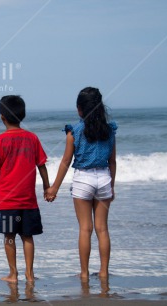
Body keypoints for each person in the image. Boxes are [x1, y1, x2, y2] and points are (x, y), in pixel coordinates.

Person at [46, 87, 117, 281]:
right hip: (103, 178)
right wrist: (112, 186)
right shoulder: (110, 131)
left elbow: (65, 162)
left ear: (80, 109)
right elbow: (112, 162)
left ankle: (84, 273)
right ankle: (103, 271)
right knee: (102, 229)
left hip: (83, 179)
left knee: (85, 229)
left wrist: (54, 188)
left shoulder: (74, 132)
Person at [0, 95, 50, 283]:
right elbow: (42, 165)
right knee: (27, 236)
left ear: (2, 117)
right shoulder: (32, 138)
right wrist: (47, 187)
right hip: (28, 199)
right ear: (23, 115)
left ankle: (13, 274)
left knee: (9, 236)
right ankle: (29, 274)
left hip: (7, 200)